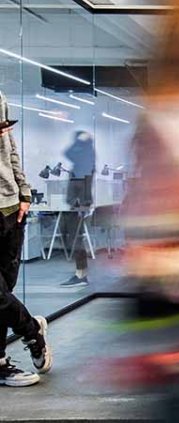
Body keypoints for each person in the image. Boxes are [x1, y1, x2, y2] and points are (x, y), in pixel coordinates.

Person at [0, 93, 52, 387]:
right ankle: (31, 330)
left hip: (10, 211)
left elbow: (9, 150)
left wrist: (24, 192)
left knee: (3, 291)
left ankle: (1, 363)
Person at [61, 130, 96, 288]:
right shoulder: (81, 160)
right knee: (72, 237)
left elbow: (86, 183)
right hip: (75, 204)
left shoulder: (88, 159)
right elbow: (67, 152)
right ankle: (80, 272)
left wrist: (83, 204)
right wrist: (78, 138)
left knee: (76, 239)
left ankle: (81, 274)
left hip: (79, 204)